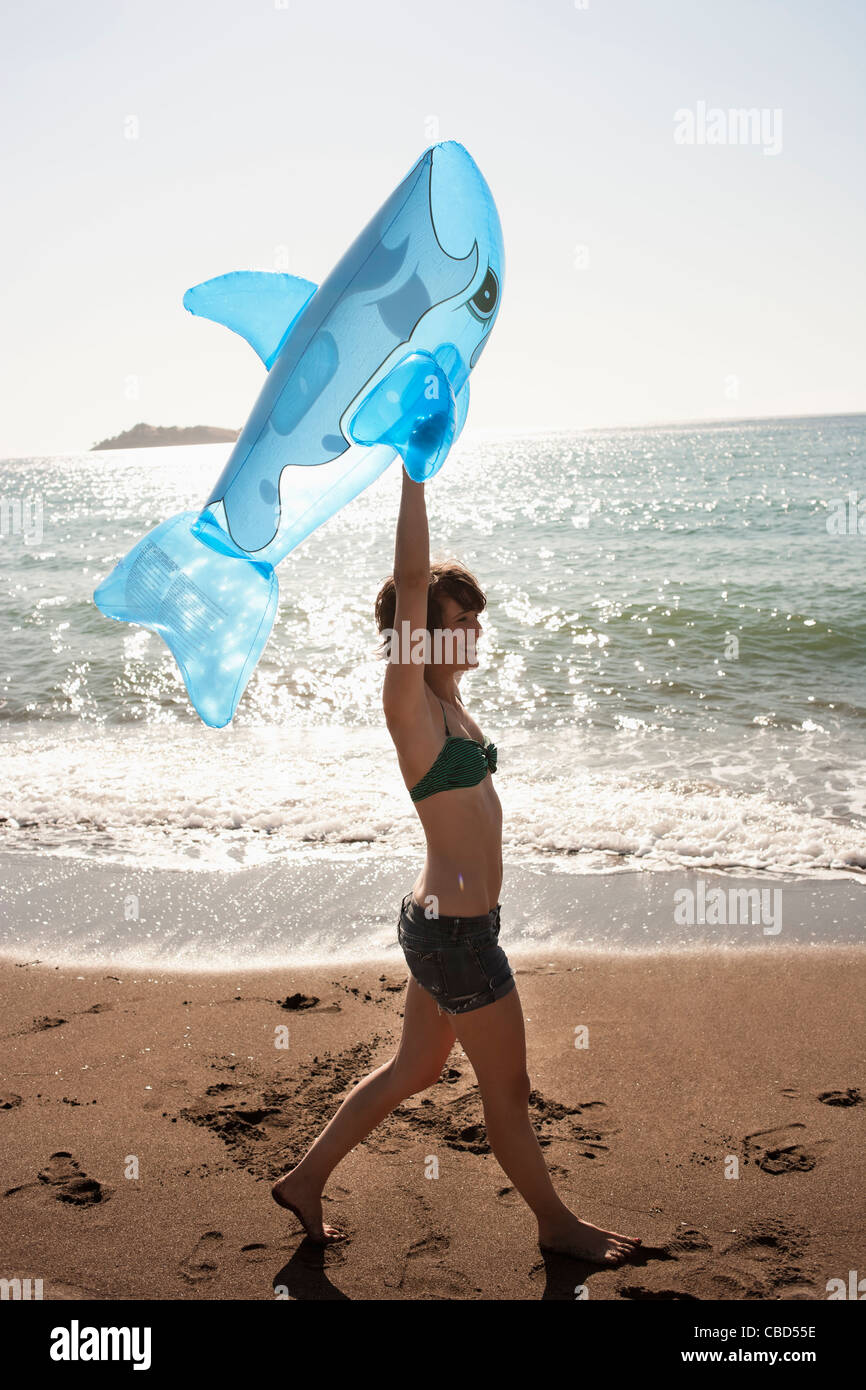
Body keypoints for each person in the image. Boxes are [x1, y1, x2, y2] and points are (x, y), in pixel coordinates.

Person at [272, 467, 642, 1265]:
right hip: (457, 937)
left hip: (446, 925)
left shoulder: (449, 701)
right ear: (419, 631)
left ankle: (304, 1181)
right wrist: (413, 472)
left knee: (415, 1066)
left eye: (476, 615)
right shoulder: (409, 703)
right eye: (458, 618)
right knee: (507, 1091)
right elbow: (411, 578)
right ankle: (556, 1225)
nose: (474, 627)